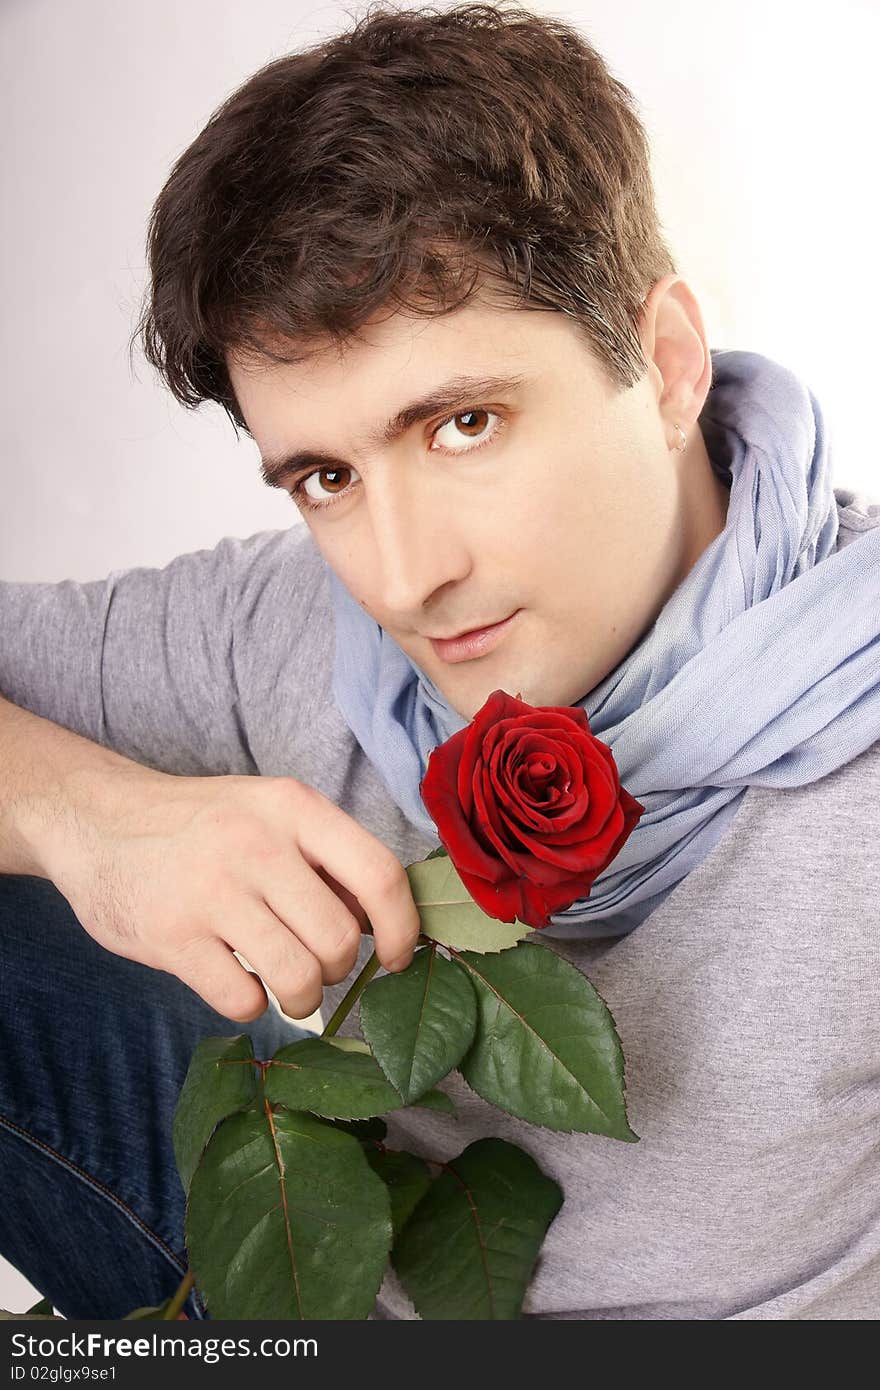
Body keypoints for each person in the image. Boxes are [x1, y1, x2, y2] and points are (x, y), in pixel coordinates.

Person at [1, 2, 879, 1321]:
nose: (404, 578)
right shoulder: (286, 621)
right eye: (324, 474)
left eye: (463, 423)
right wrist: (84, 816)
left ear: (668, 363)